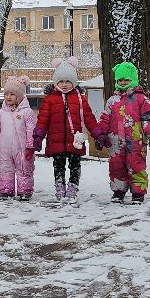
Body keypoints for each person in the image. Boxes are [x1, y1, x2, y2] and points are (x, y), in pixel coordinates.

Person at [33, 57, 98, 205]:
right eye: (61, 81)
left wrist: (98, 134)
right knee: (58, 165)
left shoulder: (80, 99)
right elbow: (42, 120)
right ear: (56, 82)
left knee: (75, 165)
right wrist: (38, 136)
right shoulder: (50, 100)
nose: (64, 84)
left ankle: (73, 187)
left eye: (67, 81)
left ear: (73, 82)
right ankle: (60, 186)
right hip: (56, 141)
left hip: (75, 141)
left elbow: (89, 118)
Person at [99, 61, 150, 204]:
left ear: (133, 79)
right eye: (119, 80)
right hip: (115, 141)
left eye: (126, 79)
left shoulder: (141, 99)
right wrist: (101, 134)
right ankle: (118, 190)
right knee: (116, 165)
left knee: (136, 164)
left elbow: (149, 117)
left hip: (136, 140)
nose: (122, 82)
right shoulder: (112, 101)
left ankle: (138, 192)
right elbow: (105, 118)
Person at [0, 76, 37, 201]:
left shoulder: (27, 112)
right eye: (6, 94)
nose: (8, 97)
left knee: (24, 169)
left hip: (21, 148)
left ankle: (24, 191)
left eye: (12, 94)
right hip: (4, 148)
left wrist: (30, 146)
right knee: (5, 169)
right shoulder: (1, 113)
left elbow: (31, 130)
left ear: (20, 95)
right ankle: (6, 190)